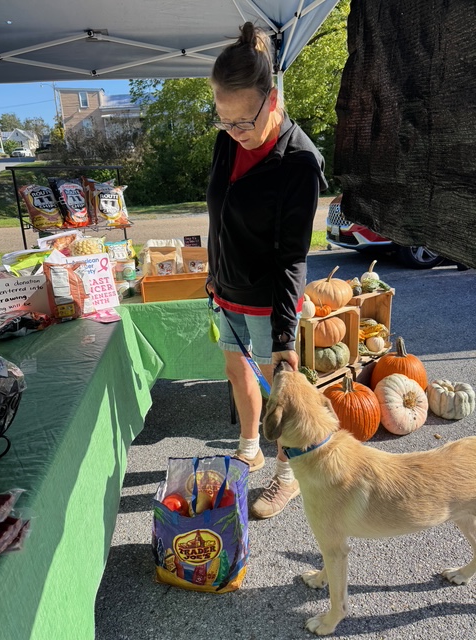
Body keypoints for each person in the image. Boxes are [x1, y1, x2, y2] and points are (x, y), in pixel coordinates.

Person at [206, 22, 328, 519]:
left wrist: (283, 337)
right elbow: (219, 213)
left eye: (243, 122)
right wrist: (214, 270)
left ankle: (288, 476)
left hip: (268, 298)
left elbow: (291, 256)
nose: (235, 133)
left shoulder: (299, 162)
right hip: (228, 287)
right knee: (237, 371)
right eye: (224, 121)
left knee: (282, 392)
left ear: (272, 98)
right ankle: (250, 447)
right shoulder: (228, 141)